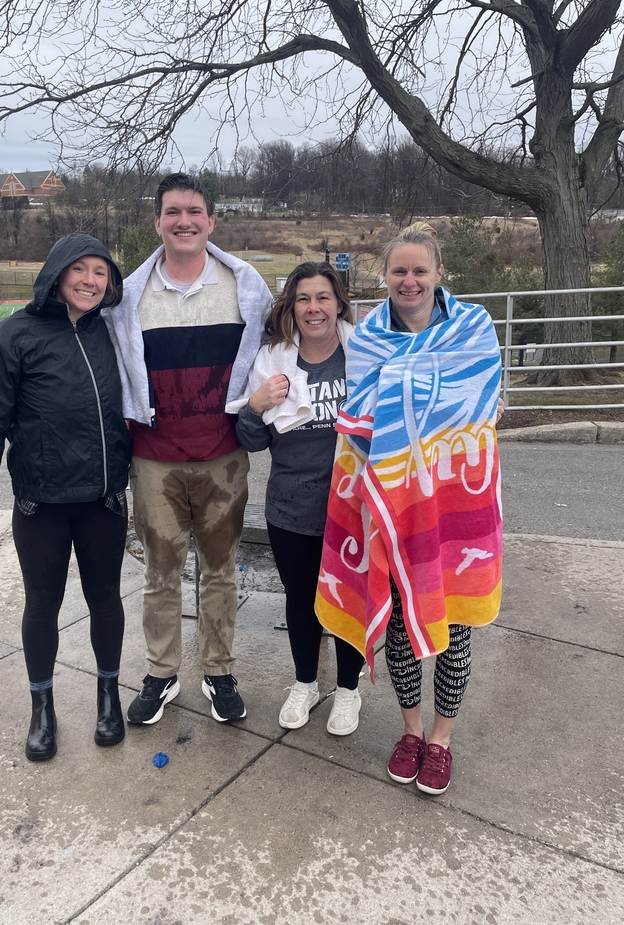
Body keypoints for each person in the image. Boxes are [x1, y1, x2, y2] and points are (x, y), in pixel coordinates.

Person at [316, 223, 503, 794]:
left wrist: (407, 390)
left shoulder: (473, 328)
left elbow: (481, 400)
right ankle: (411, 732)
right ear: (386, 276)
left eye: (420, 270)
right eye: (399, 270)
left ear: (439, 274)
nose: (410, 280)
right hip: (390, 499)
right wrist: (416, 391)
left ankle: (441, 740)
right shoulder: (369, 339)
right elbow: (362, 414)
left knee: (455, 623)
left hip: (453, 494)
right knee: (399, 623)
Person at [0, 234, 132, 762]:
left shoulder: (111, 331)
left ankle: (108, 698)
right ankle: (42, 708)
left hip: (102, 501)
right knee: (42, 605)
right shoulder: (15, 336)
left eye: (100, 271)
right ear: (57, 272)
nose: (89, 281)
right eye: (79, 269)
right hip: (41, 504)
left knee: (106, 600)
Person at [105, 173, 272, 726]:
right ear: (157, 221)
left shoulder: (245, 287)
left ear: (211, 221)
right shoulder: (129, 297)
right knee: (161, 573)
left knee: (220, 570)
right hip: (154, 459)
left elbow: (284, 344)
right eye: (173, 212)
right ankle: (162, 673)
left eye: (194, 211)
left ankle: (218, 671)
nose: (184, 221)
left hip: (223, 457)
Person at [233, 263, 365, 734]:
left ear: (339, 304)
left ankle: (348, 690)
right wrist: (255, 406)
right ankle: (305, 682)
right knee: (302, 600)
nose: (314, 308)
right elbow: (252, 441)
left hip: (355, 507)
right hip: (291, 509)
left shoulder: (363, 356)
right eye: (304, 298)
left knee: (350, 601)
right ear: (292, 306)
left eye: (323, 297)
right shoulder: (271, 361)